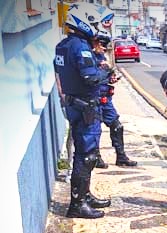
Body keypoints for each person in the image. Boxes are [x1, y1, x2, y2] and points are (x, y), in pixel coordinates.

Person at [54, 3, 112, 219]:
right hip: (86, 106)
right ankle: (77, 203)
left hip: (73, 103)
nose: (95, 27)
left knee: (83, 151)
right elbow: (90, 77)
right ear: (84, 21)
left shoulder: (62, 46)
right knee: (86, 154)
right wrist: (106, 73)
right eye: (93, 22)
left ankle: (85, 196)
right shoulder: (80, 47)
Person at [93, 30, 138, 168]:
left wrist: (111, 77)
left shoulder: (102, 57)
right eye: (102, 45)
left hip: (106, 99)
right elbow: (91, 78)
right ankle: (96, 158)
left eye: (106, 45)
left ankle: (121, 156)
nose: (104, 48)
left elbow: (107, 75)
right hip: (94, 99)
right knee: (94, 130)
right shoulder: (89, 58)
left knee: (117, 126)